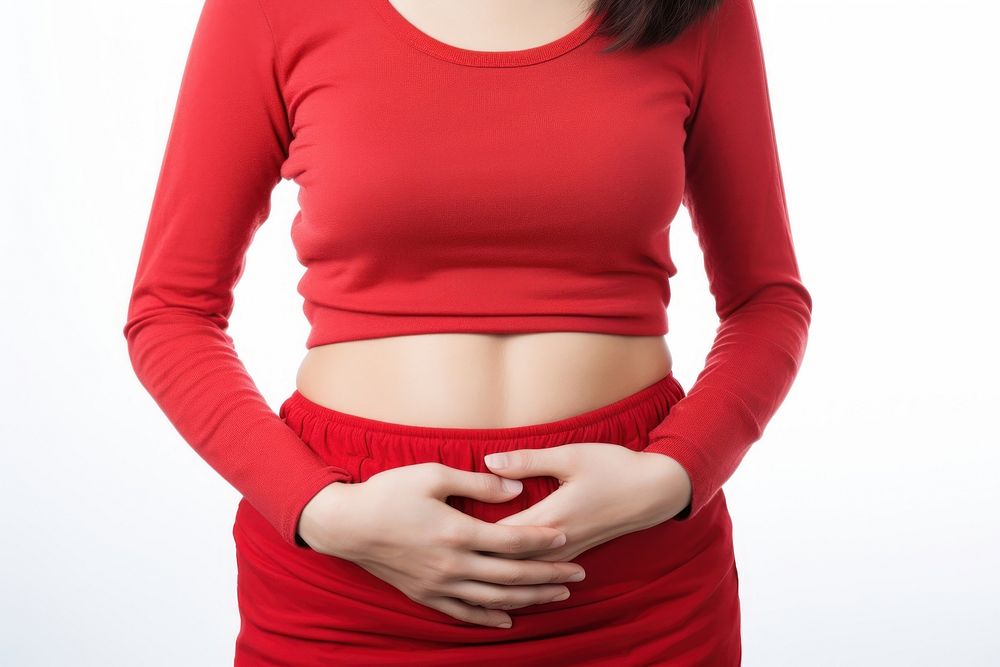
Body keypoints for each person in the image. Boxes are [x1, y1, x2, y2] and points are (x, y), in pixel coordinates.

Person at [122, 0, 812, 663]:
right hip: (353, 574)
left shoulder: (694, 9)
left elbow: (767, 299)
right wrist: (321, 511)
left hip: (635, 573)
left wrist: (673, 475)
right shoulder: (269, 7)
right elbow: (171, 311)